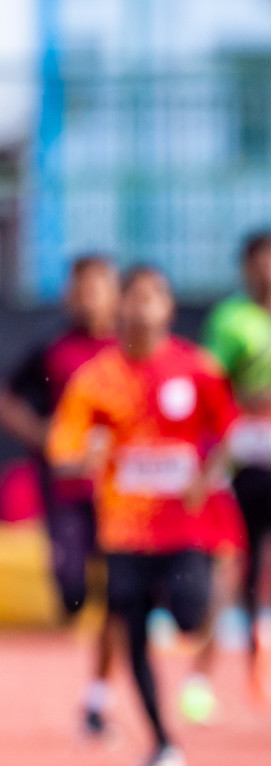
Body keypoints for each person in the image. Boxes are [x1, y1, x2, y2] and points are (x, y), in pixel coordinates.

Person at [47, 265, 238, 766]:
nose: (143, 306)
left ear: (169, 308)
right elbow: (62, 450)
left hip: (185, 530)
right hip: (126, 533)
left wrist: (209, 474)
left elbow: (228, 434)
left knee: (191, 616)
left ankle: (179, 627)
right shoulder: (97, 378)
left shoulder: (196, 368)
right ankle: (161, 741)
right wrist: (86, 455)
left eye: (155, 296)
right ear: (120, 308)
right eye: (133, 297)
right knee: (129, 632)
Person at [0, 254, 120, 737]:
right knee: (71, 590)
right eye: (82, 288)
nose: (90, 298)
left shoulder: (129, 350)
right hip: (65, 492)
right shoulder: (52, 349)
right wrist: (40, 434)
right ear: (70, 294)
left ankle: (99, 695)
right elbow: (8, 398)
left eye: (99, 287)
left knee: (119, 590)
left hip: (121, 498)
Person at [199, 229, 271, 708]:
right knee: (249, 557)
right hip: (246, 456)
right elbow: (210, 382)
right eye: (261, 261)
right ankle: (254, 654)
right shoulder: (231, 320)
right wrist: (251, 398)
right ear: (247, 268)